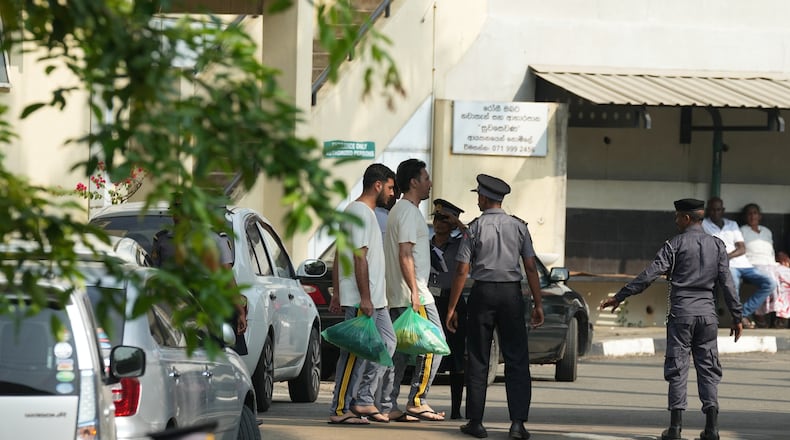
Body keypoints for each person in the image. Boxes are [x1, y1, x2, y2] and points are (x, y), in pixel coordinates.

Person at [600, 198, 743, 440]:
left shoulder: (674, 245)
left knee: (678, 369)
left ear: (687, 218)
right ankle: (711, 429)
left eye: (677, 216)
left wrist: (621, 296)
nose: (675, 221)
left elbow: (648, 275)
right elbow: (727, 284)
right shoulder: (717, 245)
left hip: (681, 315)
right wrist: (737, 316)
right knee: (708, 369)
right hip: (707, 317)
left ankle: (675, 428)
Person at [446, 174, 544, 440]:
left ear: (486, 197)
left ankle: (476, 422)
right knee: (517, 359)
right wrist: (537, 303)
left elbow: (461, 270)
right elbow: (531, 267)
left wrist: (452, 307)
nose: (477, 199)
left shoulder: (474, 228)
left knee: (477, 357)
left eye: (478, 195)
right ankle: (517, 424)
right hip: (512, 295)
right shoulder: (519, 227)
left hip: (483, 294)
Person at [327, 163, 397, 425]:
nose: (392, 193)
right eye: (390, 188)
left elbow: (337, 256)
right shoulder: (358, 212)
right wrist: (364, 298)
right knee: (354, 352)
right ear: (377, 185)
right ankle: (340, 408)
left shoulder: (364, 213)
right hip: (363, 299)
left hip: (376, 299)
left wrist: (335, 292)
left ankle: (364, 399)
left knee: (388, 343)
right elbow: (358, 258)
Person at [382, 158, 446, 422]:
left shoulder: (401, 210)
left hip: (400, 293)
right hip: (414, 293)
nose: (430, 183)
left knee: (400, 351)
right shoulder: (407, 211)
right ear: (413, 182)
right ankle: (417, 400)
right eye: (426, 178)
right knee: (434, 344)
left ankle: (387, 403)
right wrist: (415, 292)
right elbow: (405, 253)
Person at [151, 202, 248, 352]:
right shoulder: (163, 240)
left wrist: (239, 310)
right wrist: (240, 311)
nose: (177, 216)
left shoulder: (214, 238)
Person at [702, 197, 775, 329]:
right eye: (712, 210)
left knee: (770, 283)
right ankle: (738, 319)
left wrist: (727, 256)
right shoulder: (703, 224)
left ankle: (741, 314)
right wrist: (724, 260)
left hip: (744, 264)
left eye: (718, 209)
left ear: (723, 210)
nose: (715, 212)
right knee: (732, 285)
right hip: (726, 267)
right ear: (708, 211)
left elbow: (742, 248)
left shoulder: (732, 225)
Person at [428, 198, 467, 420]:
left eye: (445, 219)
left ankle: (455, 408)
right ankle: (418, 401)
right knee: (425, 353)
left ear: (452, 223)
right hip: (429, 302)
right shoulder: (425, 243)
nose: (439, 222)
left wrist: (459, 225)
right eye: (436, 217)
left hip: (453, 302)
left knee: (456, 357)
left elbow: (476, 239)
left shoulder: (461, 243)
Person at [739, 203, 790, 328]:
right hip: (753, 263)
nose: (752, 216)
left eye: (755, 213)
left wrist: (781, 255)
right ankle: (760, 314)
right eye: (749, 214)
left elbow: (771, 251)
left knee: (787, 275)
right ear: (746, 217)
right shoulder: (742, 230)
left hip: (771, 262)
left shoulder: (766, 231)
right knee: (770, 278)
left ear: (760, 216)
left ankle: (782, 315)